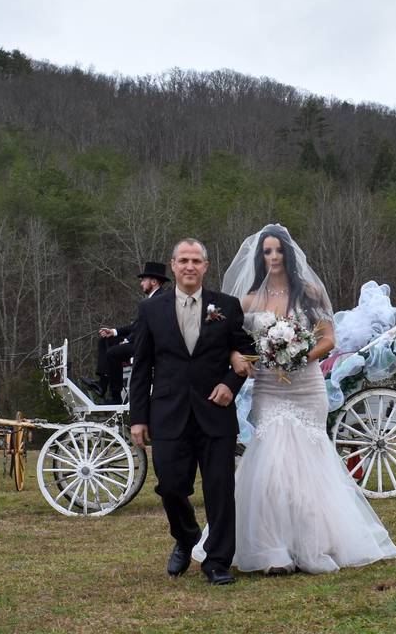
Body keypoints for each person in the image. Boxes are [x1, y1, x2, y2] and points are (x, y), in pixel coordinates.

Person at [194, 223, 396, 575]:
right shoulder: (248, 301)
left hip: (306, 386)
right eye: (267, 252)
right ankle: (274, 549)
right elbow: (230, 341)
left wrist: (298, 355)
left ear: (288, 255)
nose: (273, 257)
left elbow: (328, 339)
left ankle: (316, 542)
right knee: (273, 469)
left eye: (278, 251)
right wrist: (240, 359)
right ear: (260, 258)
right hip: (270, 389)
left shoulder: (310, 292)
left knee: (308, 466)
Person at [129, 238, 255, 585]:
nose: (189, 266)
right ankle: (186, 536)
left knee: (219, 489)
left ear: (205, 266)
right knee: (170, 485)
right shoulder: (150, 309)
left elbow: (247, 351)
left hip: (215, 413)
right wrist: (138, 417)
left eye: (196, 261)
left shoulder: (226, 306)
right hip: (168, 412)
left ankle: (217, 562)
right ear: (173, 265)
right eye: (183, 260)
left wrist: (231, 383)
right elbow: (141, 367)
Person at [85, 261, 169, 404]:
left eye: (143, 280)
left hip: (150, 346)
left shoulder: (160, 300)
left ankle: (116, 396)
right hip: (141, 340)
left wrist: (129, 340)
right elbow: (136, 325)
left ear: (154, 281)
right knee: (105, 341)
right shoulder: (152, 299)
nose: (141, 283)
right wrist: (113, 332)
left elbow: (147, 327)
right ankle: (103, 383)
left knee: (113, 353)